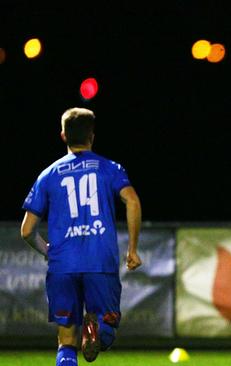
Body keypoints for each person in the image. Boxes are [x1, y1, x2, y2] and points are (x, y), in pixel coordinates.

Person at [20, 108, 142, 365]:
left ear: (63, 135)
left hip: (63, 265)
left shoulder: (48, 175)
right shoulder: (110, 168)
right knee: (107, 331)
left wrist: (48, 251)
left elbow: (27, 230)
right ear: (92, 136)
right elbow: (132, 201)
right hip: (100, 262)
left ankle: (79, 343)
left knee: (66, 339)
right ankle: (98, 331)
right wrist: (132, 249)